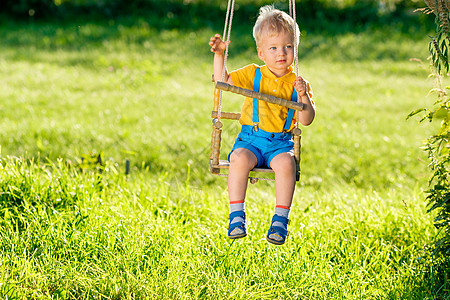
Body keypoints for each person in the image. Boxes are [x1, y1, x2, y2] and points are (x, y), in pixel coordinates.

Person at [209, 5, 315, 245]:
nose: (281, 53)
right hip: (251, 140)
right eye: (273, 48)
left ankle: (280, 220)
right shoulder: (253, 74)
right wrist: (219, 55)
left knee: (287, 163)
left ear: (295, 50)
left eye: (288, 47)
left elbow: (306, 119)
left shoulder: (297, 83)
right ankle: (237, 215)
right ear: (261, 53)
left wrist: (304, 97)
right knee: (238, 159)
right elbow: (222, 81)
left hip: (280, 143)